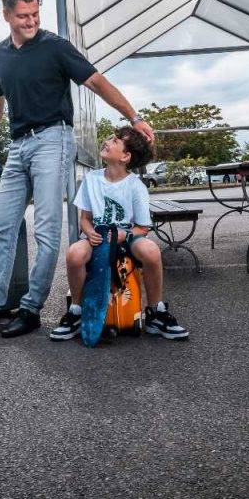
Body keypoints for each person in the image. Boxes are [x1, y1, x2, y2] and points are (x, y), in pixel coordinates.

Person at [0, 0, 155, 338]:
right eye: (23, 16)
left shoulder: (55, 47)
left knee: (46, 228)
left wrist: (134, 117)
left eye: (35, 14)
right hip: (18, 146)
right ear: (6, 15)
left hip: (53, 140)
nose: (31, 21)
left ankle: (30, 308)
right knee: (3, 226)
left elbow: (97, 82)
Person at [49, 126, 189, 342]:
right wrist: (89, 232)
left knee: (151, 251)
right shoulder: (91, 179)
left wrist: (124, 235)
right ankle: (77, 312)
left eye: (115, 141)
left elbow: (143, 227)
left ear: (125, 156)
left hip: (126, 237)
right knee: (74, 255)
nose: (107, 141)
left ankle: (155, 312)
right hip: (97, 236)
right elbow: (84, 219)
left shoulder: (135, 186)